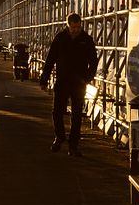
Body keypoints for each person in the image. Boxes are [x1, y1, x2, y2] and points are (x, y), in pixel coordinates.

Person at [39, 12, 97, 156]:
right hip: (62, 81)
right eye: (73, 27)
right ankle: (59, 137)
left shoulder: (86, 40)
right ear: (68, 25)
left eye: (78, 27)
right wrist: (44, 78)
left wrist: (87, 78)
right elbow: (50, 59)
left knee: (77, 114)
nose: (76, 30)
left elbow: (94, 62)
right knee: (57, 111)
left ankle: (73, 145)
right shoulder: (60, 38)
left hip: (79, 83)